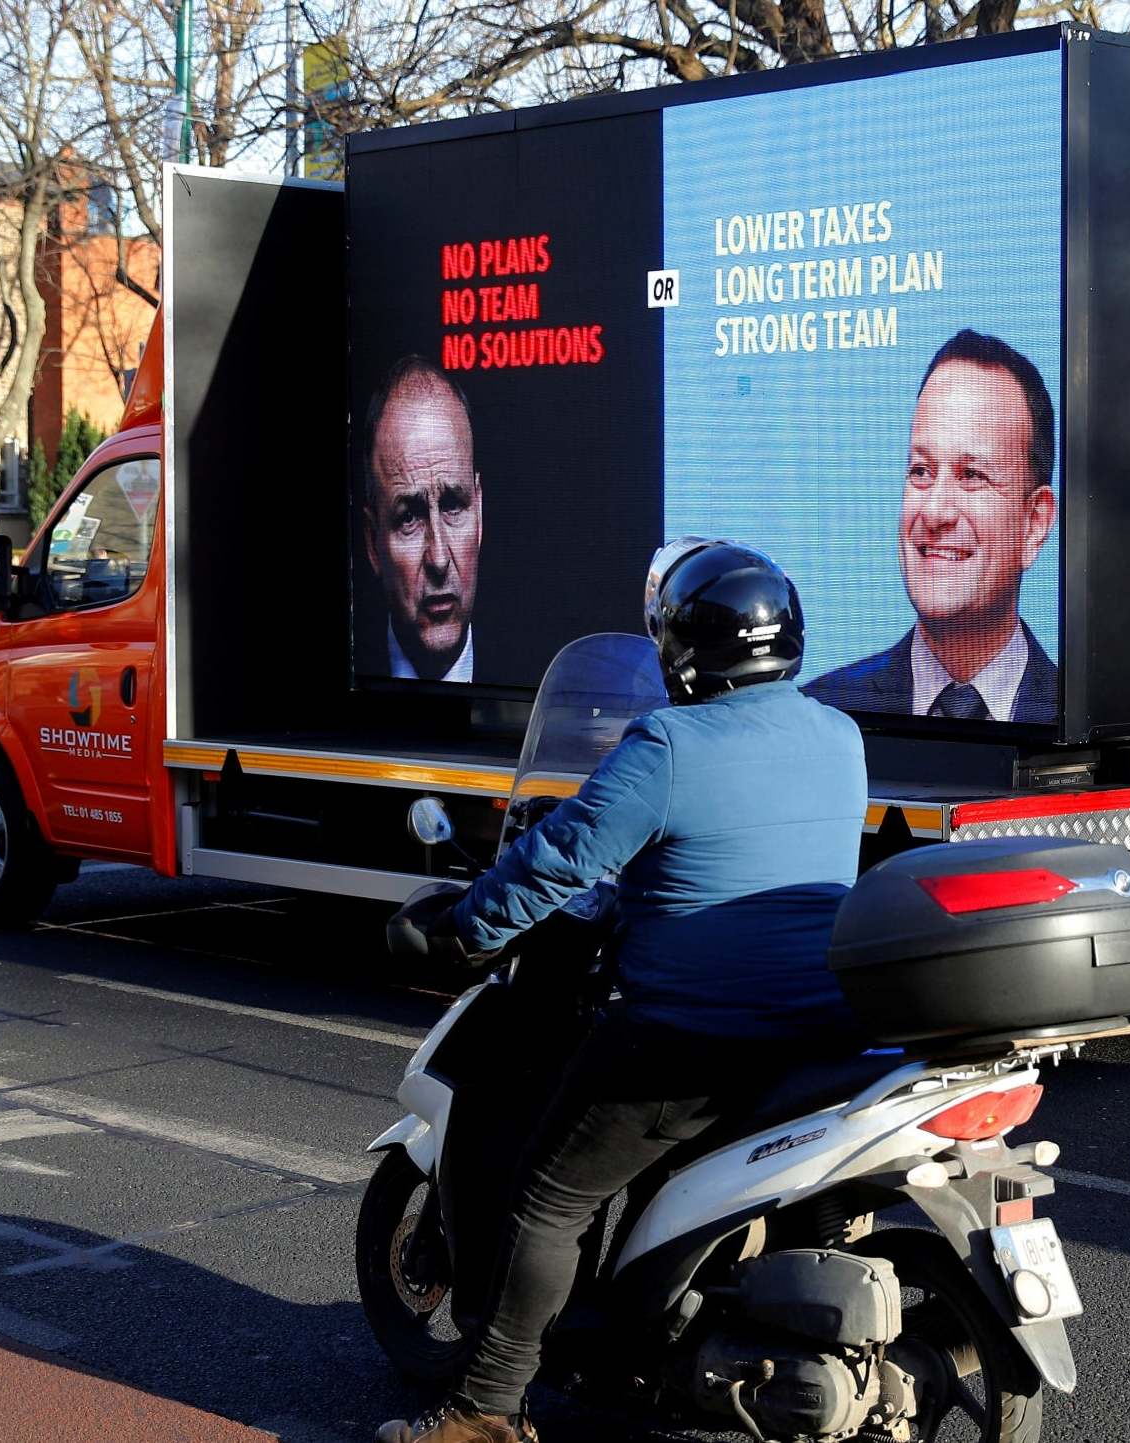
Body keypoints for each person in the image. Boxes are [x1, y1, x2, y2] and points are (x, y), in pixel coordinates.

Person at [375, 538, 869, 1443]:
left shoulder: (670, 744)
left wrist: (463, 928)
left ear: (681, 650)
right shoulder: (840, 735)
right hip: (818, 1030)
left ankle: (483, 1413)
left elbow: (561, 857)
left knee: (547, 1198)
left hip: (691, 1038)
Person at [804, 328, 1059, 724]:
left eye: (972, 475)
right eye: (921, 471)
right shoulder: (821, 718)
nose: (935, 512)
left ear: (1033, 524)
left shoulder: (1083, 717)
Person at [362, 356, 484, 682]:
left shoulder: (549, 675)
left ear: (479, 512)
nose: (439, 560)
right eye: (409, 518)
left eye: (453, 507)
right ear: (373, 542)